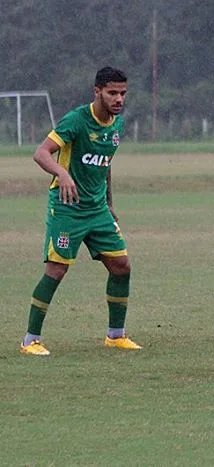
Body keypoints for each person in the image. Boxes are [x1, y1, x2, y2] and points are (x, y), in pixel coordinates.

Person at [20, 66, 141, 356]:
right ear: (97, 91)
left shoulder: (117, 125)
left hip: (98, 210)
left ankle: (115, 336)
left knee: (121, 265)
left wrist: (110, 204)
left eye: (123, 93)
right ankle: (30, 340)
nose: (119, 99)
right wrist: (62, 174)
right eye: (112, 93)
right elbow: (41, 153)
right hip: (67, 209)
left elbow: (105, 164)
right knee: (57, 270)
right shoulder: (76, 120)